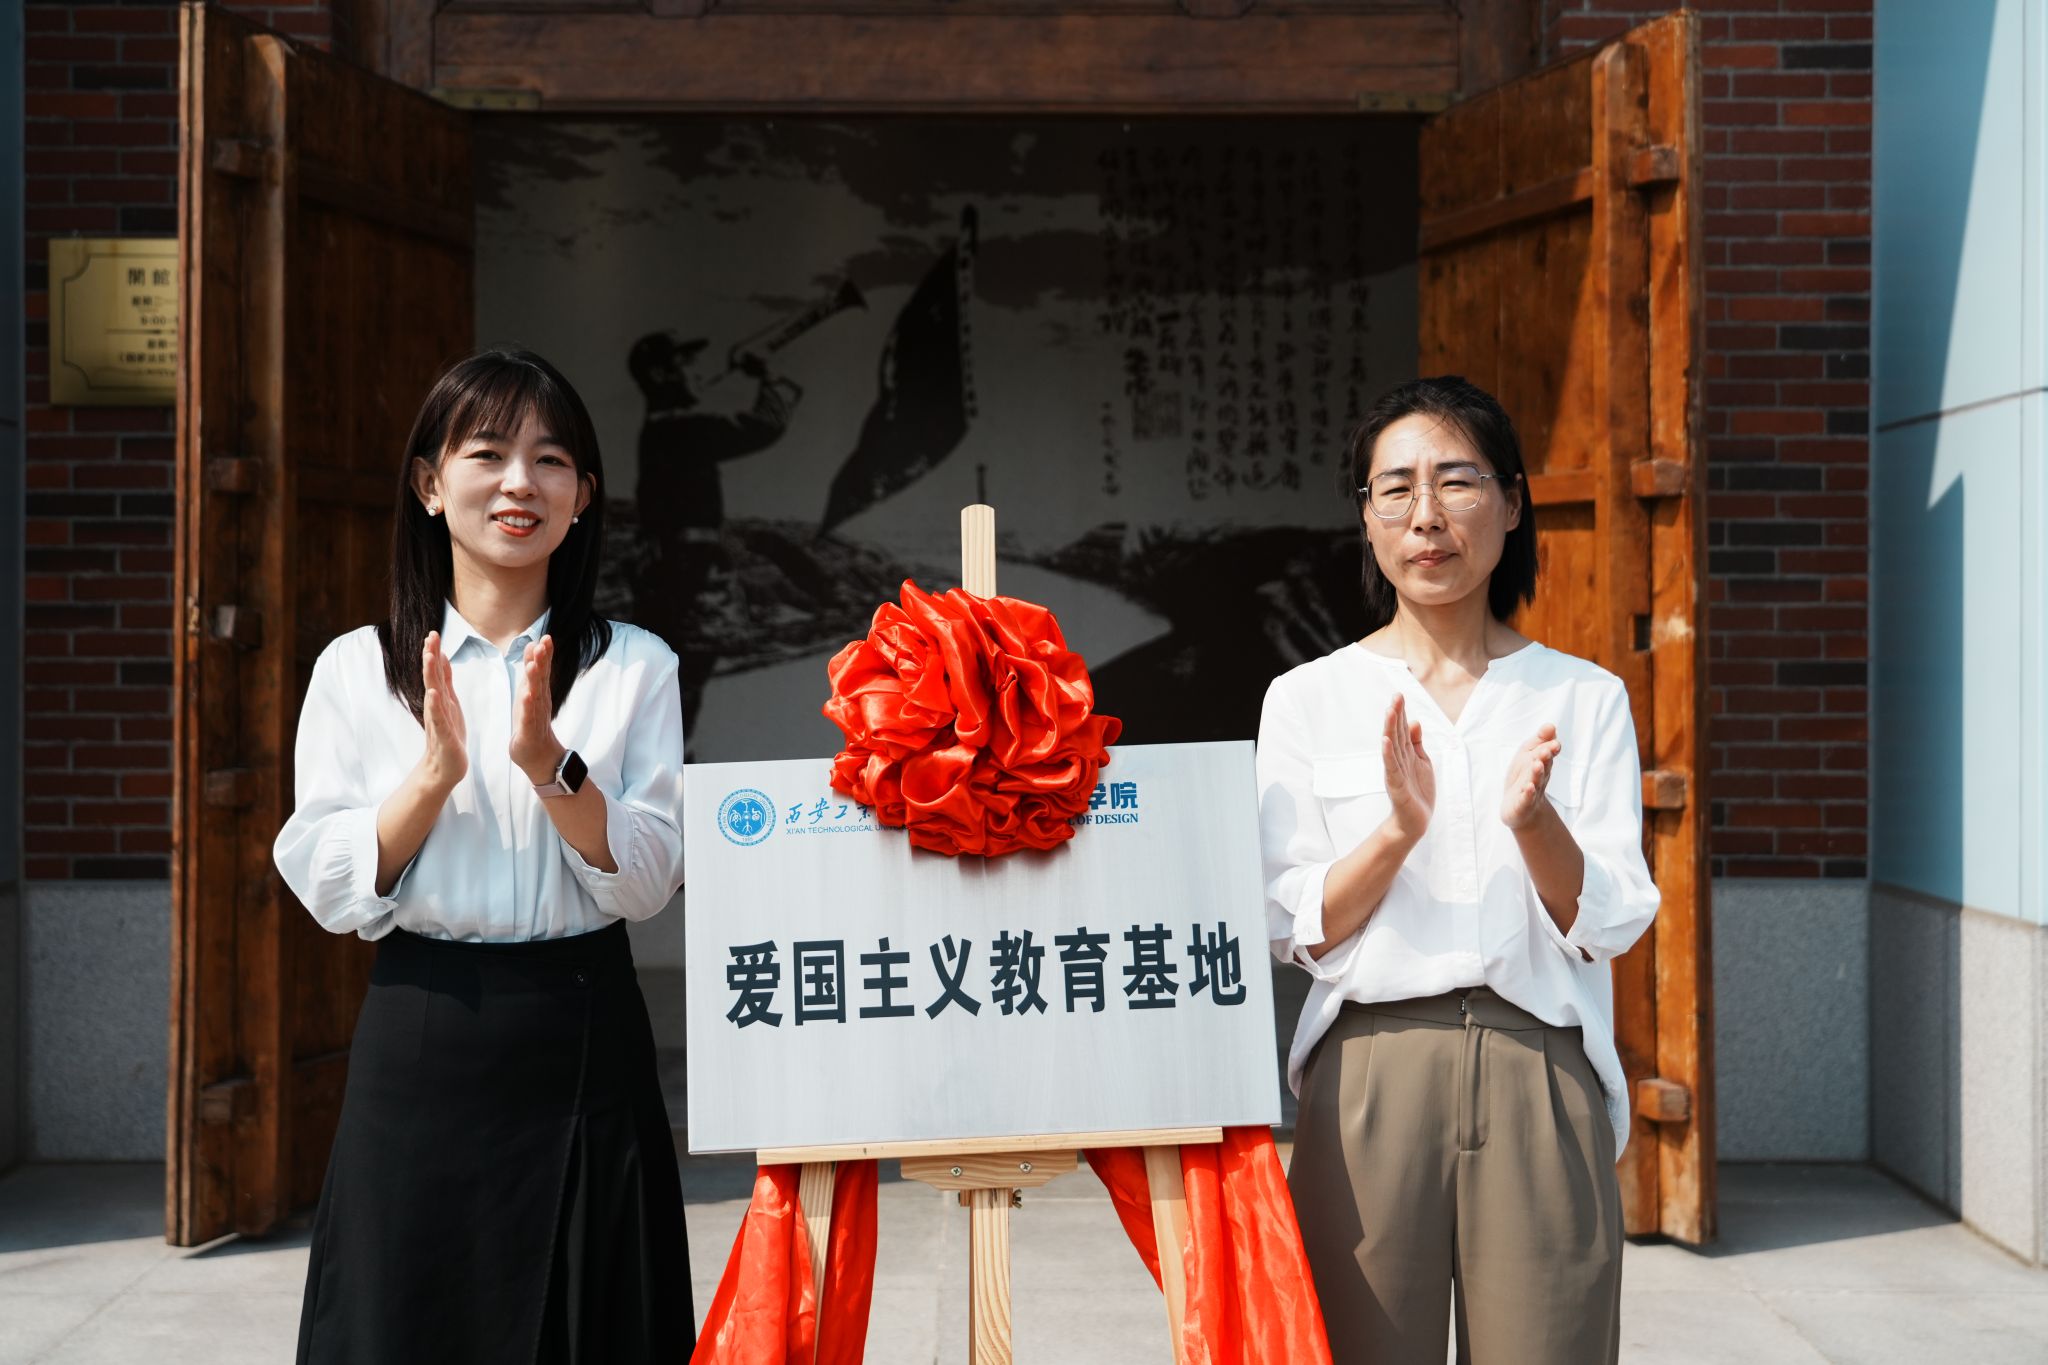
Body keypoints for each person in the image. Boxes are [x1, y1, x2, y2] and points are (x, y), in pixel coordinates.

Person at [273, 348, 693, 1364]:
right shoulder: (359, 670)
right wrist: (433, 774)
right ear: (430, 483)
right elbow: (328, 885)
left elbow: (647, 880)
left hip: (584, 1031)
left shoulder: (633, 666)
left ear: (583, 496)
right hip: (423, 1033)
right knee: (404, 1325)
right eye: (488, 453)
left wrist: (552, 767)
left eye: (551, 460)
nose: (520, 483)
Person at [1257, 376, 1659, 1365]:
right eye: (1395, 488)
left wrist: (1533, 824)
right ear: (1366, 516)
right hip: (1369, 1072)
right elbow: (1291, 922)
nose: (1425, 515)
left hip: (1539, 1066)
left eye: (1456, 481)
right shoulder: (1308, 697)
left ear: (1511, 502)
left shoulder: (1582, 696)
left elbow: (1609, 918)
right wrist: (1397, 832)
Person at [627, 329, 801, 731]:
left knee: (677, 679)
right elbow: (764, 427)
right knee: (685, 675)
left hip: (671, 570)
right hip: (685, 573)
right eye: (686, 364)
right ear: (662, 375)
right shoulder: (679, 429)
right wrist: (769, 376)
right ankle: (676, 756)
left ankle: (673, 752)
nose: (698, 373)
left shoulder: (665, 429)